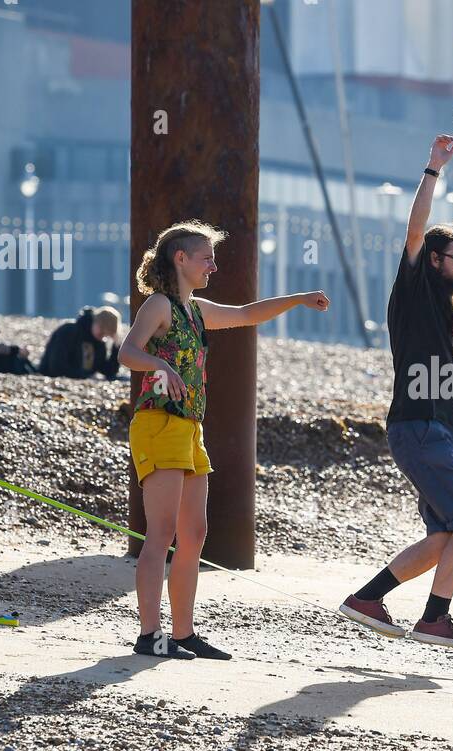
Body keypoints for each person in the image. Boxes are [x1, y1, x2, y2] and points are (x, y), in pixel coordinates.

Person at [119, 220, 329, 660]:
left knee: (194, 533)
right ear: (181, 259)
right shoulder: (159, 305)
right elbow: (128, 352)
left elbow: (248, 314)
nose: (213, 265)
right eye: (206, 257)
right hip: (158, 421)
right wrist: (162, 367)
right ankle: (149, 634)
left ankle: (183, 633)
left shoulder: (196, 310)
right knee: (160, 534)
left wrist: (299, 298)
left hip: (189, 427)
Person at [339, 134, 453, 650]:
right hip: (418, 431)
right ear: (434, 259)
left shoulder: (444, 320)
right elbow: (414, 230)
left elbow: (442, 393)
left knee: (442, 537)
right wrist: (432, 169)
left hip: (438, 433)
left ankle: (367, 600)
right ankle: (435, 620)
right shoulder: (413, 292)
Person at [40, 305, 122, 380]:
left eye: (106, 335)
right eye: (102, 332)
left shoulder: (99, 342)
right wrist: (86, 376)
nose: (103, 336)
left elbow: (108, 371)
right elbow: (56, 367)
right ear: (95, 321)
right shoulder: (68, 331)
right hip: (50, 376)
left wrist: (116, 346)